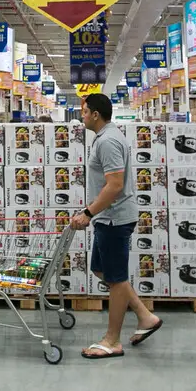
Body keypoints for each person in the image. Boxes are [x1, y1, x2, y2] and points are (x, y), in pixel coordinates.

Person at [69, 93, 162, 359]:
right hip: (107, 217)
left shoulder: (108, 140)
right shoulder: (106, 137)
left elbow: (115, 185)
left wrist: (88, 212)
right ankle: (145, 316)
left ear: (95, 114)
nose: (81, 116)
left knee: (117, 278)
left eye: (84, 112)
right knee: (101, 270)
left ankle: (112, 340)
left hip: (114, 218)